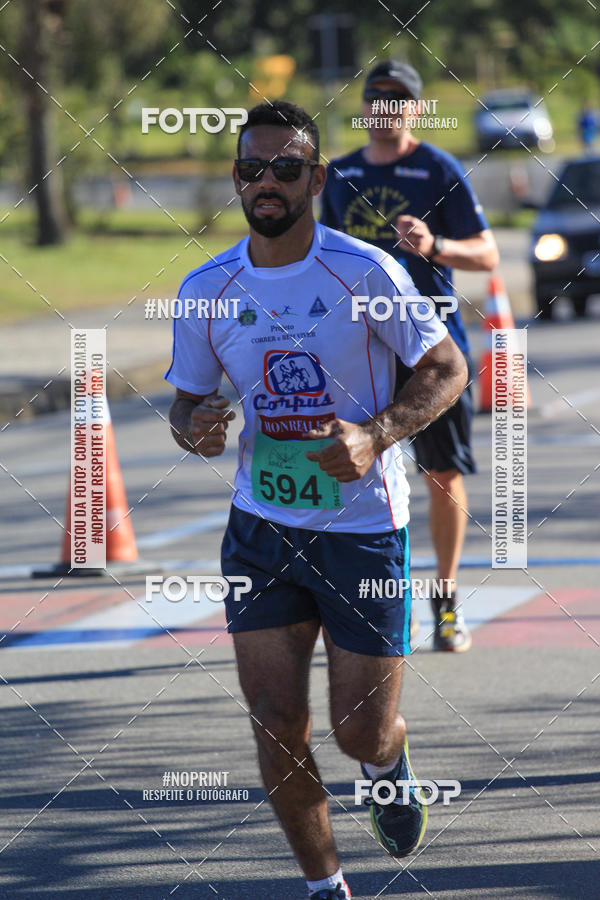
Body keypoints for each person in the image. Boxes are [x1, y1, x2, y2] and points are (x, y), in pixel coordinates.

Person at [165, 100, 467, 899]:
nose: (267, 183)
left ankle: (388, 761)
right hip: (261, 529)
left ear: (316, 178)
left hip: (361, 529)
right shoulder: (207, 288)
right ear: (236, 180)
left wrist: (374, 433)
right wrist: (192, 426)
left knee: (357, 728)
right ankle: (324, 887)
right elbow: (186, 403)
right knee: (274, 721)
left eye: (286, 167)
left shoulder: (364, 272)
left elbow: (446, 368)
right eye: (251, 169)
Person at [320, 61, 499, 652]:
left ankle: (445, 600)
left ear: (416, 108)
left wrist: (436, 244)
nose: (386, 106)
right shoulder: (340, 175)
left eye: (399, 97)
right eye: (376, 96)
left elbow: (489, 253)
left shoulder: (439, 169)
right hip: (359, 346)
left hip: (430, 348)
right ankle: (365, 603)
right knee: (350, 468)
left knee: (442, 475)